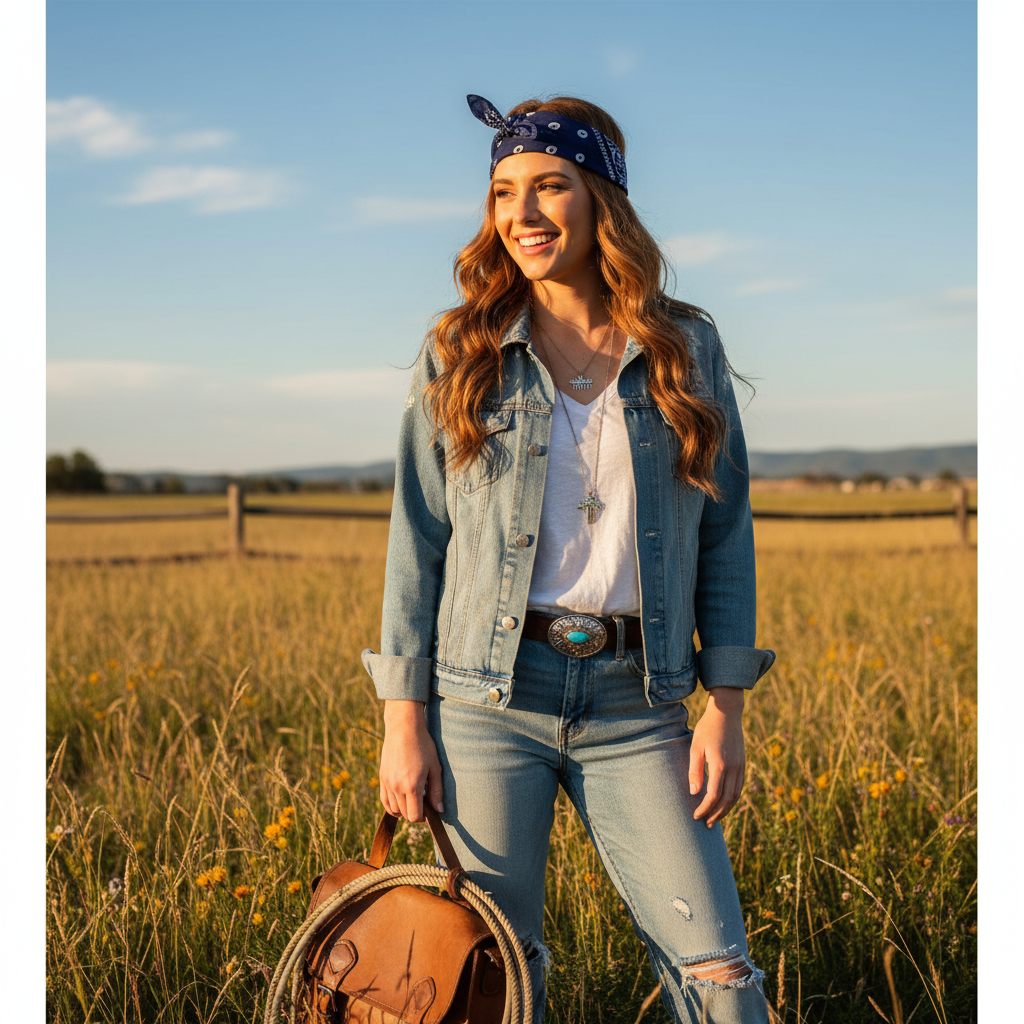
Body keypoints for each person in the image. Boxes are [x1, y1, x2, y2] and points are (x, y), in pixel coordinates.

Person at [361, 94, 776, 1024]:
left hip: (643, 699)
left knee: (719, 975)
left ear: (602, 200)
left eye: (550, 186)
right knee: (494, 976)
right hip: (484, 701)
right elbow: (417, 537)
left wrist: (727, 705)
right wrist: (403, 721)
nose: (524, 214)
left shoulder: (684, 347)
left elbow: (726, 531)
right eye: (505, 192)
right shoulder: (461, 350)